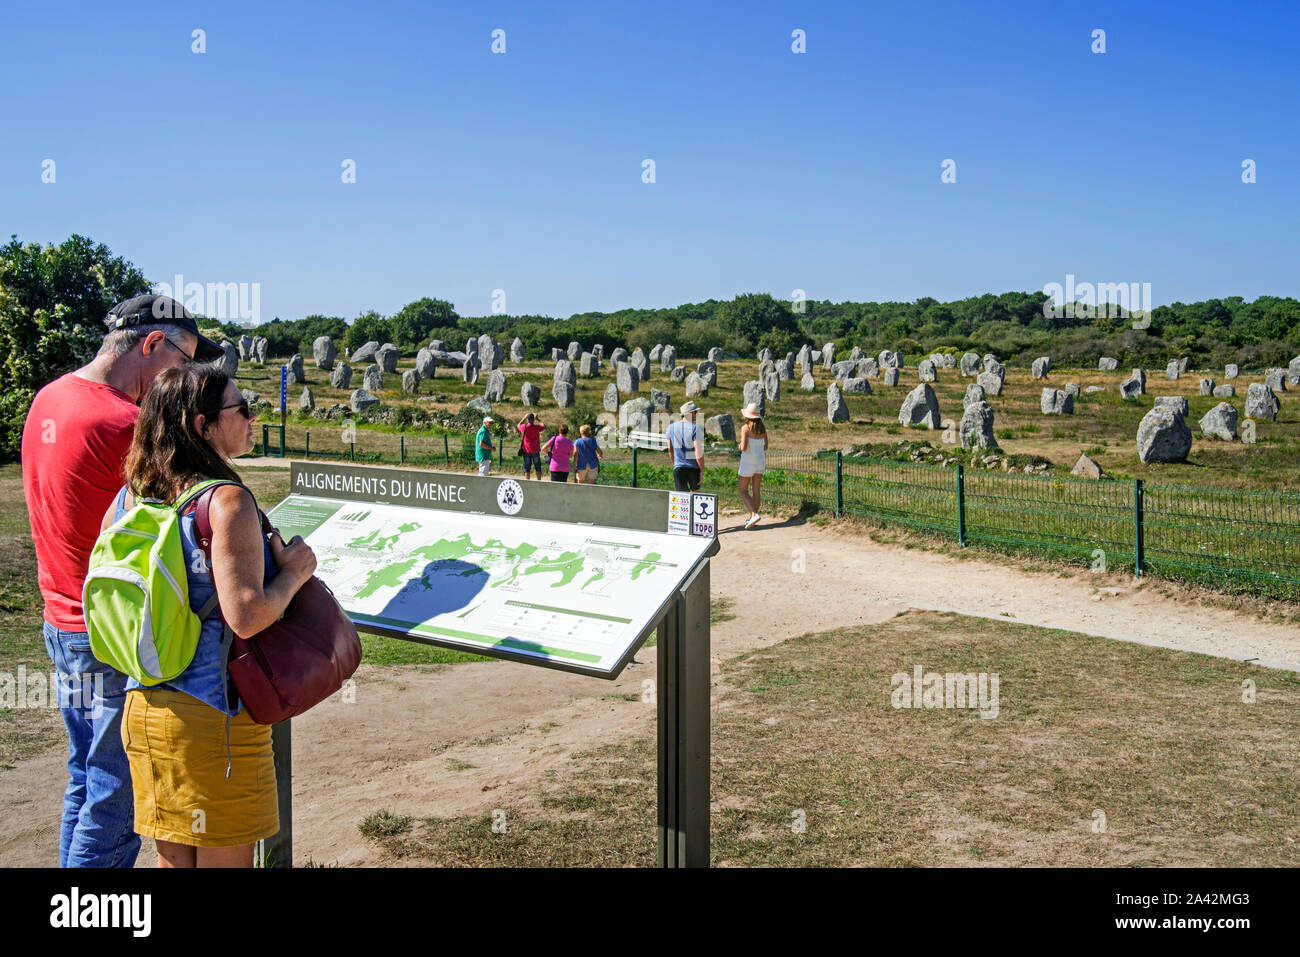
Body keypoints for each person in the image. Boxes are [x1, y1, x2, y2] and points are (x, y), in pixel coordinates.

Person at [21, 294, 223, 868]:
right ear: (152, 344)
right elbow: (188, 508)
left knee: (85, 781)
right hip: (113, 634)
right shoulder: (124, 423)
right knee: (117, 799)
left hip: (62, 622)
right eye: (182, 363)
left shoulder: (50, 397)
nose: (182, 380)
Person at [104, 364, 317, 868]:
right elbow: (246, 615)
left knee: (175, 863)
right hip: (215, 719)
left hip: (147, 708)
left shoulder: (130, 496)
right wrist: (296, 573)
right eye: (241, 409)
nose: (251, 417)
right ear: (203, 425)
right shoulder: (227, 501)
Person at [737, 403, 768, 529]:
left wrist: (739, 446)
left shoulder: (745, 428)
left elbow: (743, 447)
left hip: (747, 463)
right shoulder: (763, 429)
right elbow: (765, 446)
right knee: (756, 490)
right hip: (760, 462)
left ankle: (754, 514)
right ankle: (752, 518)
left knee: (742, 490)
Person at [666, 401, 704, 492]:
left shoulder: (671, 428)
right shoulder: (695, 428)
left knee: (682, 499)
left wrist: (675, 463)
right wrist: (702, 470)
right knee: (695, 495)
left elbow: (669, 449)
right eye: (695, 412)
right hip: (693, 467)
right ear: (689, 414)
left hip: (678, 467)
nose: (696, 414)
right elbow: (697, 451)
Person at [517, 412, 546, 480]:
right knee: (538, 467)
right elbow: (543, 426)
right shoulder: (537, 428)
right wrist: (538, 419)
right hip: (535, 450)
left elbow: (518, 425)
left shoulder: (524, 427)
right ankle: (539, 482)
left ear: (528, 420)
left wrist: (524, 418)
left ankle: (528, 482)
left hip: (526, 450)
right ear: (533, 420)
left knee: (527, 468)